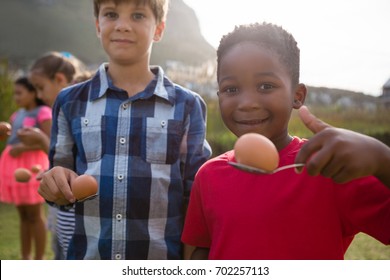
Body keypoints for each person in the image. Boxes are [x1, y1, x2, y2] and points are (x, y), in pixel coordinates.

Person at [181, 22, 390, 260]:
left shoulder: (328, 169)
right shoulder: (209, 176)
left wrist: (382, 158)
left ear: (297, 95)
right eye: (231, 89)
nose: (247, 102)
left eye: (266, 86)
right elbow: (202, 249)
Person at [37, 0, 211, 260]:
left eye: (138, 15)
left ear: (159, 29)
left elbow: (195, 201)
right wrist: (55, 185)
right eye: (111, 14)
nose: (122, 25)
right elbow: (59, 187)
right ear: (98, 26)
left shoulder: (187, 105)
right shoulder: (70, 101)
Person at [20, 51, 90, 260]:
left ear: (59, 79)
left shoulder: (81, 108)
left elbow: (77, 157)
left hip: (75, 213)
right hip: (62, 210)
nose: (39, 96)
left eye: (40, 88)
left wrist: (41, 141)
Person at [0, 77, 52, 259]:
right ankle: (25, 257)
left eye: (19, 93)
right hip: (13, 165)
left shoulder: (43, 112)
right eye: (15, 93)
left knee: (34, 214)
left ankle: (38, 259)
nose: (16, 97)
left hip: (32, 166)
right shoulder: (17, 115)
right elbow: (12, 137)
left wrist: (24, 148)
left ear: (33, 92)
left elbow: (49, 141)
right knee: (22, 213)